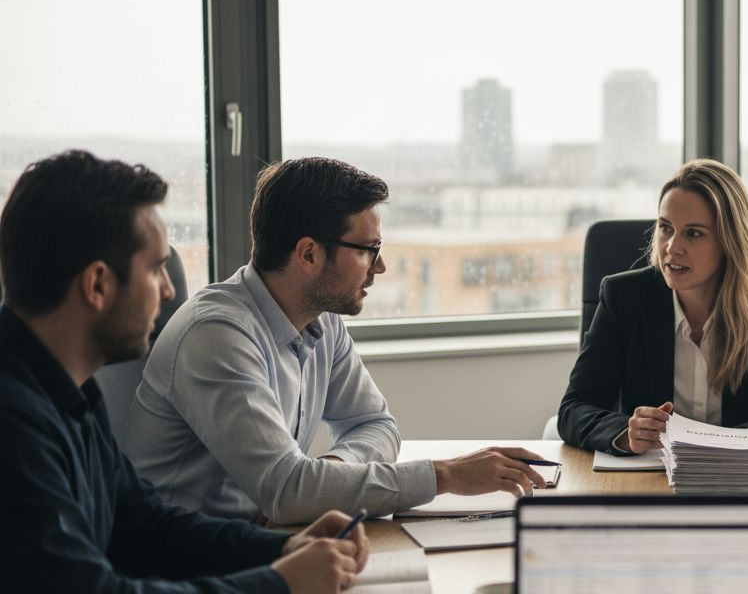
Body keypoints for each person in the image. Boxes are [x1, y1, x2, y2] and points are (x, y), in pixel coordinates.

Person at [0, 150, 371, 594]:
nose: (170, 288)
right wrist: (275, 589)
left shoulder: (67, 389)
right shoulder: (13, 427)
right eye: (154, 269)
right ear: (97, 284)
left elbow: (142, 524)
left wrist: (278, 551)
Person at [122, 157, 545, 525]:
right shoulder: (216, 335)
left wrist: (332, 469)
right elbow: (288, 492)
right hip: (188, 568)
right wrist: (446, 476)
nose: (379, 267)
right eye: (368, 249)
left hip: (268, 538)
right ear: (308, 254)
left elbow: (375, 425)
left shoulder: (320, 320)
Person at [558, 159, 748, 454]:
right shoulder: (624, 297)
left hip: (741, 479)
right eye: (665, 228)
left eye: (693, 233)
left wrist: (740, 441)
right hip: (650, 480)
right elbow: (574, 410)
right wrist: (623, 433)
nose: (671, 247)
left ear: (729, 241)